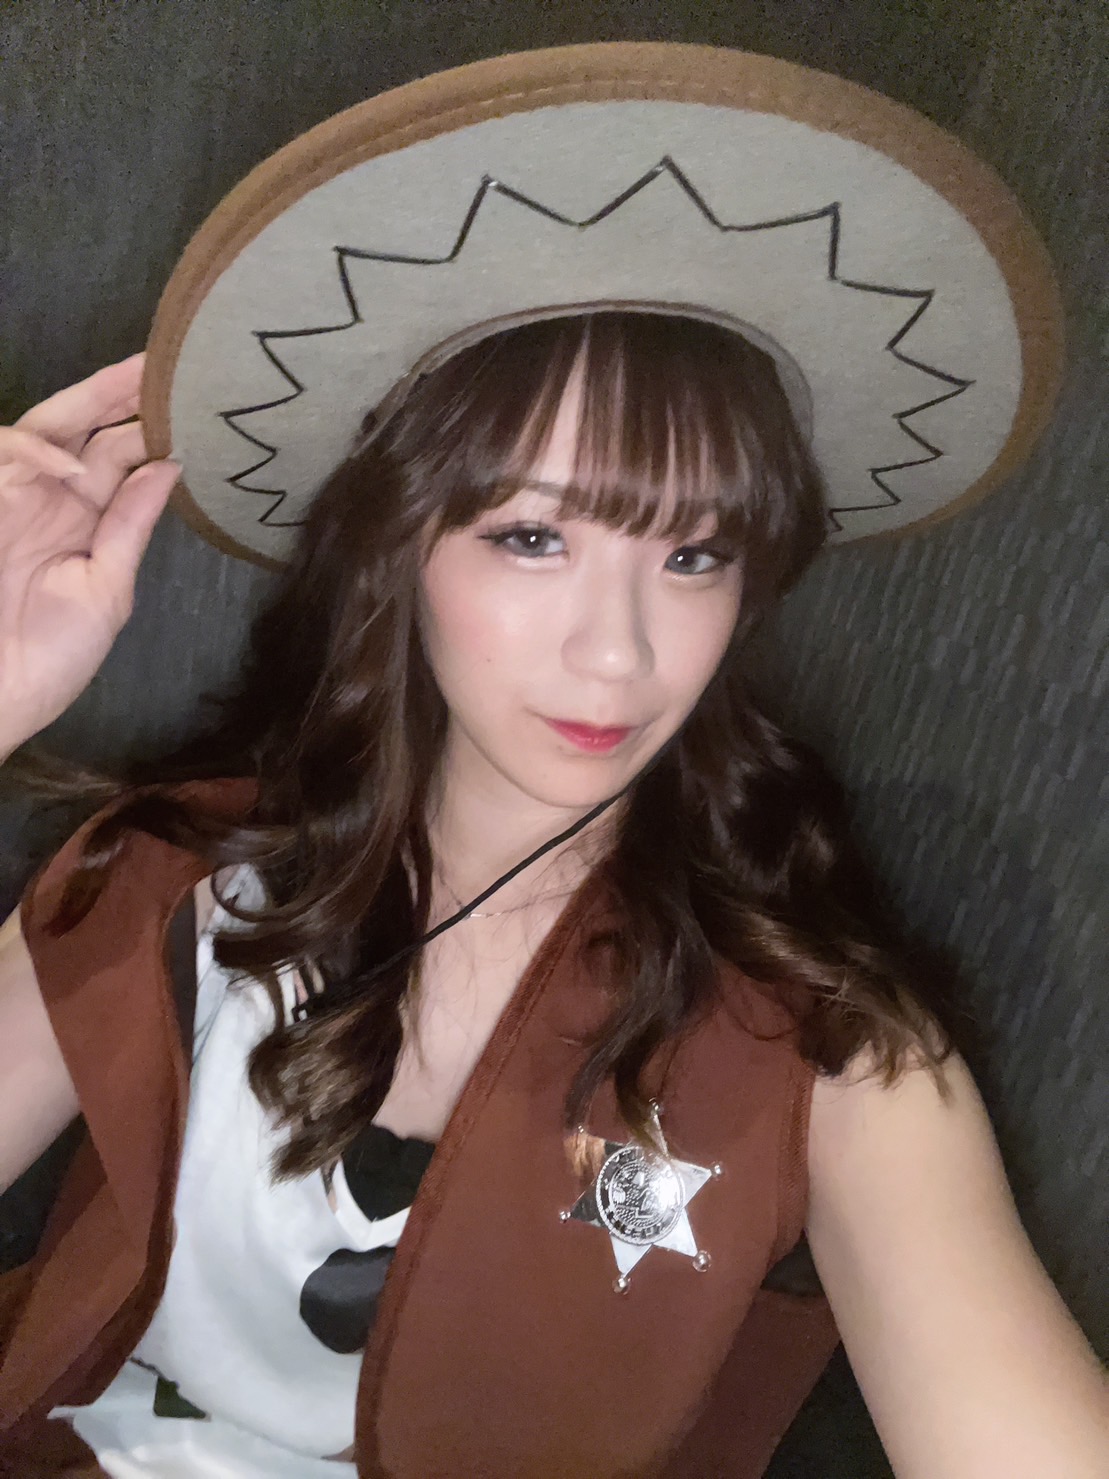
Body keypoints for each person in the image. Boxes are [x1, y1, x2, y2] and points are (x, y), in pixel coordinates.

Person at [1, 42, 1106, 1479]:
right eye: (532, 536)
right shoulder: (169, 884)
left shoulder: (821, 1055)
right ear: (396, 550)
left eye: (694, 555)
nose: (620, 656)